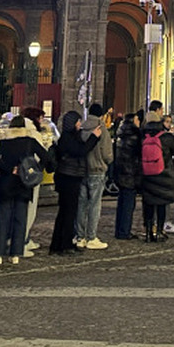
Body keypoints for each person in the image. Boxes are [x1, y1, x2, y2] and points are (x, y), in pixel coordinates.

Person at [0, 116, 53, 265]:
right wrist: (35, 170)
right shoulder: (29, 142)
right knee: (20, 218)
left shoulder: (4, 142)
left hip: (5, 183)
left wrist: (8, 168)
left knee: (2, 219)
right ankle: (16, 253)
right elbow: (46, 156)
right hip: (23, 183)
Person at [48, 111, 100, 256]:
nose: (80, 124)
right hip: (68, 177)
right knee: (68, 212)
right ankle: (64, 244)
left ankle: (59, 244)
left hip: (69, 176)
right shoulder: (67, 138)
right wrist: (93, 138)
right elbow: (80, 151)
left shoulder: (69, 137)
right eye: (78, 121)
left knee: (65, 212)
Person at [75, 105, 113, 250]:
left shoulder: (82, 129)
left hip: (83, 169)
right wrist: (107, 162)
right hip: (97, 169)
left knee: (82, 204)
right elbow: (107, 153)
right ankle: (91, 236)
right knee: (94, 205)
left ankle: (80, 236)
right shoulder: (101, 129)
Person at [140, 112, 174, 242]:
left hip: (147, 174)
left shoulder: (143, 137)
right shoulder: (166, 138)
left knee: (149, 204)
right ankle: (160, 231)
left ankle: (149, 232)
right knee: (161, 204)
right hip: (163, 174)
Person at [112, 113, 143, 241]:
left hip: (121, 172)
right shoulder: (134, 136)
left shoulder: (121, 135)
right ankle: (125, 231)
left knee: (122, 202)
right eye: (136, 119)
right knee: (129, 204)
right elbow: (138, 154)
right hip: (130, 173)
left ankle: (120, 230)